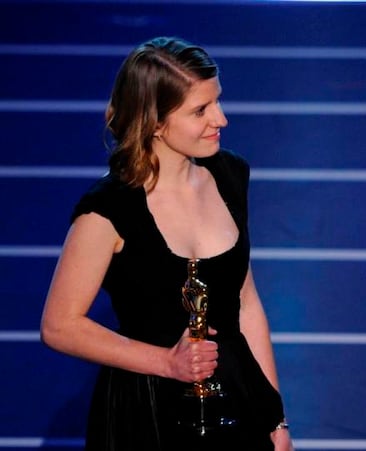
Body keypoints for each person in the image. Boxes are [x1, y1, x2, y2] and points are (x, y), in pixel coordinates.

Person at [40, 37, 293, 451]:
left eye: (217, 101)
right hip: (146, 410)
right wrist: (167, 362)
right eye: (200, 110)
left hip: (237, 397)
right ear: (154, 122)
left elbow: (246, 303)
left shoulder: (230, 175)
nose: (221, 119)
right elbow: (59, 326)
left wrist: (276, 420)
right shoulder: (107, 209)